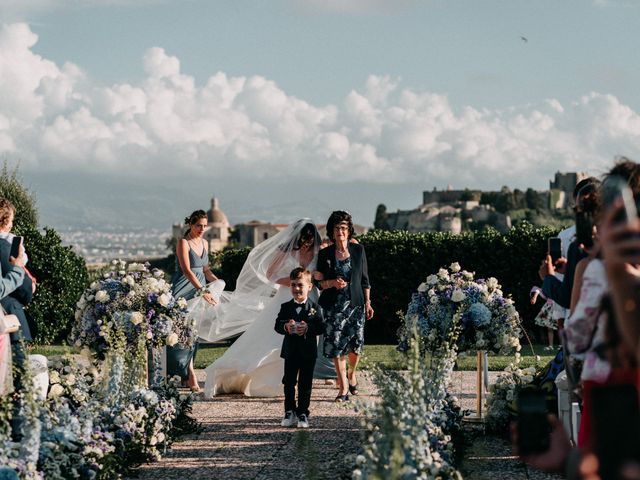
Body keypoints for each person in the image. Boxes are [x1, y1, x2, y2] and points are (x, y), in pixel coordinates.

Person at [203, 220, 321, 397]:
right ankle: (273, 381)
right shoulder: (286, 251)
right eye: (304, 240)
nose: (306, 244)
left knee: (308, 338)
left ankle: (295, 380)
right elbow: (271, 274)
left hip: (309, 298)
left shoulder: (318, 252)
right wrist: (291, 282)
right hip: (285, 297)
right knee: (274, 340)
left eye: (310, 241)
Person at [316, 210, 373, 402]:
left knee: (355, 347)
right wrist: (332, 283)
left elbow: (365, 280)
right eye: (336, 228)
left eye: (343, 228)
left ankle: (351, 374)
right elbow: (319, 283)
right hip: (334, 308)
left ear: (349, 231)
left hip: (356, 306)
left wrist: (368, 302)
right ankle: (343, 388)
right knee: (337, 346)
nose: (340, 231)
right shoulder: (324, 254)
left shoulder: (358, 250)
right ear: (331, 232)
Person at [167, 209, 219, 392]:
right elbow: (187, 270)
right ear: (191, 224)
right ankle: (190, 375)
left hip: (199, 291)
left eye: (205, 226)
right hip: (184, 289)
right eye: (199, 225)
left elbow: (205, 270)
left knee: (193, 333)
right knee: (181, 332)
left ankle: (185, 374)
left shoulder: (205, 242)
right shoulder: (183, 242)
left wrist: (217, 282)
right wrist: (203, 290)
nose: (202, 229)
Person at [275, 267, 325, 428]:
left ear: (309, 287)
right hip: (290, 351)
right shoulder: (285, 307)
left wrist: (308, 328)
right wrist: (286, 327)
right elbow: (277, 325)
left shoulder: (315, 308)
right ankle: (289, 411)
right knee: (289, 382)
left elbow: (322, 327)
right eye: (293, 285)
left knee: (305, 383)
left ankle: (303, 412)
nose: (296, 289)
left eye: (300, 285)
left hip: (308, 352)